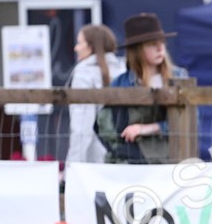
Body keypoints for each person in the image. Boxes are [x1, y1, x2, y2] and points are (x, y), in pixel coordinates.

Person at [96, 13, 188, 164]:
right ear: (137, 50)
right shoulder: (120, 83)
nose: (160, 48)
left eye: (162, 42)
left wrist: (147, 128)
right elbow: (106, 126)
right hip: (132, 163)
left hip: (172, 162)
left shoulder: (179, 77)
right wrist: (125, 150)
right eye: (152, 44)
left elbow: (189, 121)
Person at [66, 24, 123, 168]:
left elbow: (81, 127)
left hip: (96, 163)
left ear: (91, 46)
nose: (76, 48)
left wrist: (71, 169)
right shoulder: (123, 70)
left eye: (79, 43)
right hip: (127, 157)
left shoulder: (84, 73)